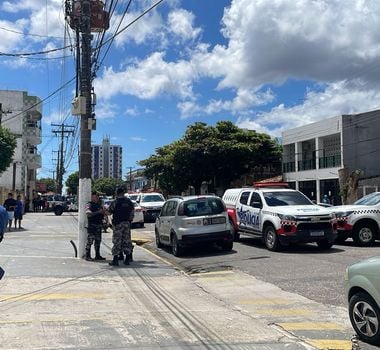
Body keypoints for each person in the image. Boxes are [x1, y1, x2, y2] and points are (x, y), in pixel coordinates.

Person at [107, 188, 134, 266]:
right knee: (127, 240)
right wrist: (129, 220)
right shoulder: (128, 201)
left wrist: (105, 211)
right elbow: (132, 212)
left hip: (118, 224)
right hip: (127, 223)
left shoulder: (115, 202)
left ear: (116, 193)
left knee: (117, 241)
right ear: (123, 193)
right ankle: (128, 259)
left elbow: (109, 212)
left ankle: (115, 259)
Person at [85, 192, 106, 261]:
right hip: (92, 226)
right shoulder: (89, 204)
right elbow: (88, 214)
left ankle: (97, 255)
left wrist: (103, 212)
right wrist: (98, 212)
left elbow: (103, 213)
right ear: (91, 197)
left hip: (98, 225)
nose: (96, 198)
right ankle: (87, 256)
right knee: (90, 241)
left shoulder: (99, 205)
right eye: (94, 197)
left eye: (97, 197)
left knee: (98, 241)